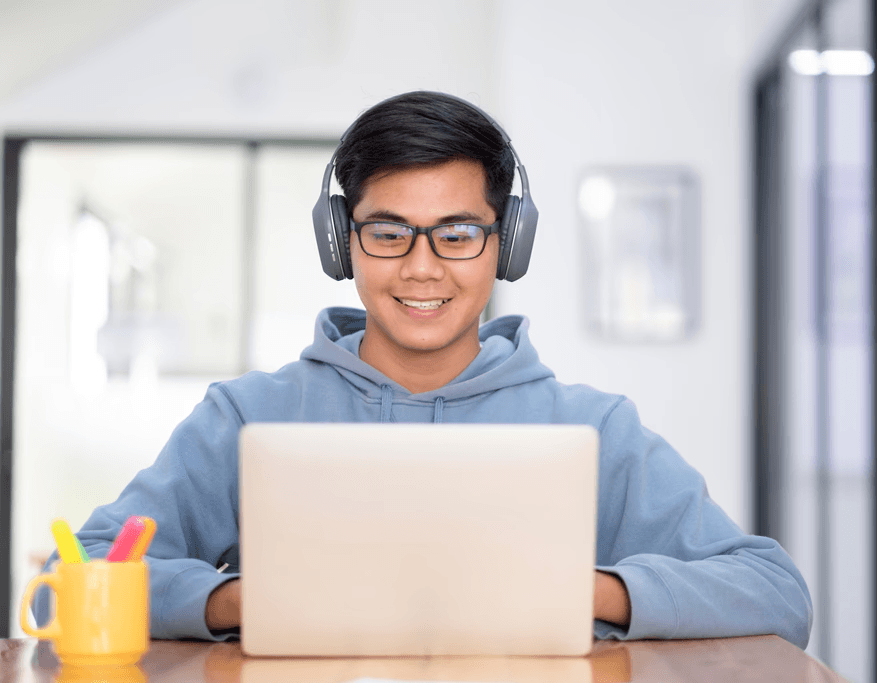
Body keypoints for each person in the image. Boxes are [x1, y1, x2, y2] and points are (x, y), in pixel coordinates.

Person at [35, 91, 812, 647]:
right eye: (387, 232)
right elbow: (80, 573)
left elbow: (778, 591)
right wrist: (238, 601)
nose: (421, 268)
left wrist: (595, 591)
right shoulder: (248, 416)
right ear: (341, 240)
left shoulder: (590, 426)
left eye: (458, 233)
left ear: (507, 242)